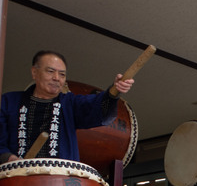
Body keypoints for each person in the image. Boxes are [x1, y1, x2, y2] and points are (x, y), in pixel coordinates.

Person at [0, 50, 134, 164]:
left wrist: (114, 91)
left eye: (62, 74)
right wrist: (8, 158)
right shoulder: (9, 101)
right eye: (50, 71)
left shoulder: (70, 104)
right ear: (34, 72)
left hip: (60, 182)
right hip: (17, 180)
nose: (56, 78)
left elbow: (96, 107)